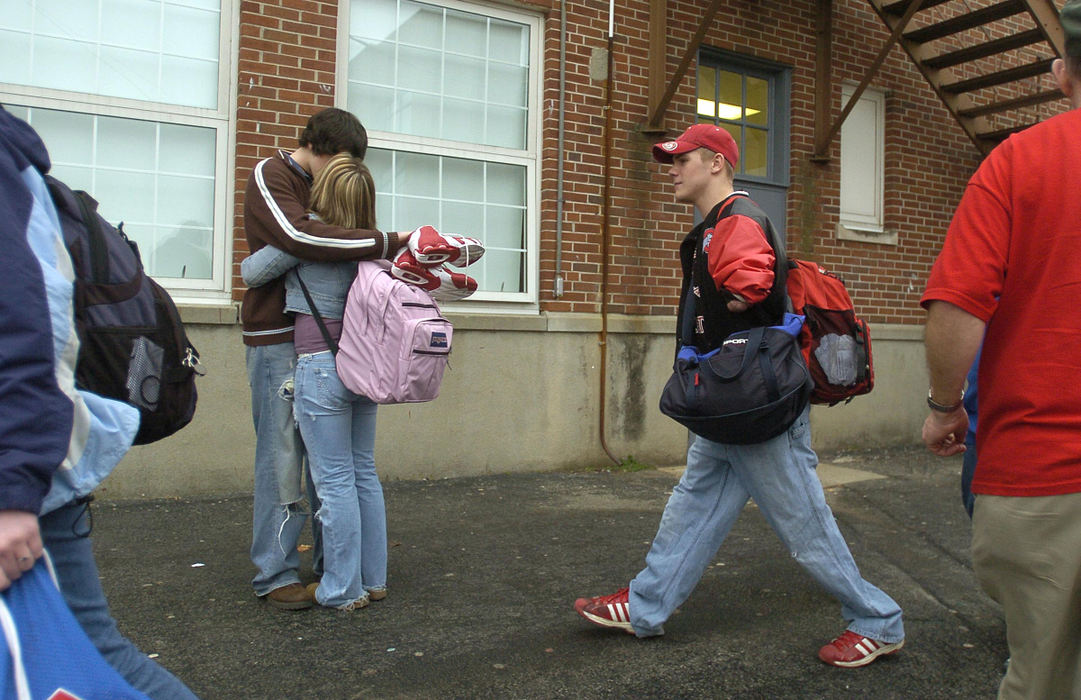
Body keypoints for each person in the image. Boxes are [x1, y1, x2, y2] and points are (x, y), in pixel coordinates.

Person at [573, 123, 905, 668]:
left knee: (802, 520)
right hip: (732, 402)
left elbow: (751, 281)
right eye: (671, 162)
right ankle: (647, 604)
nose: (673, 170)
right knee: (693, 503)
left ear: (716, 164)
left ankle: (878, 619)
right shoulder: (718, 224)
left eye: (682, 160)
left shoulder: (736, 219)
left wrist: (737, 298)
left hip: (755, 405)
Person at [0, 106, 200, 698]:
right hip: (28, 456)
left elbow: (22, 323)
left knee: (89, 656)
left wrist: (14, 487)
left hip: (22, 469)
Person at [920, 4, 1081, 695]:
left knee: (1042, 676)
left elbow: (958, 304)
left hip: (1039, 474)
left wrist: (943, 407)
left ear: (1061, 74)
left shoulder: (1018, 160)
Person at [242, 108, 408, 611]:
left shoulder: (325, 211)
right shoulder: (272, 174)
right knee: (287, 458)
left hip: (320, 350)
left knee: (331, 472)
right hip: (280, 338)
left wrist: (334, 232)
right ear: (320, 150)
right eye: (341, 162)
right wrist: (384, 239)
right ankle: (280, 573)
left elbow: (265, 261)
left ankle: (338, 574)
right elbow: (297, 238)